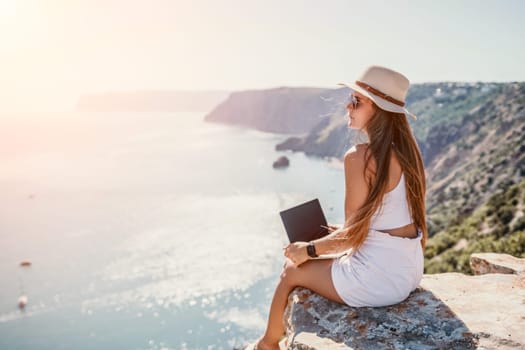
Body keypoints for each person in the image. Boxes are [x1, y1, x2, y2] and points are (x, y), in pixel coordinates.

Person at [246, 65, 427, 350]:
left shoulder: (359, 157)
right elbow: (386, 221)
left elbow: (353, 237)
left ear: (378, 110)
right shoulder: (408, 155)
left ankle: (266, 344)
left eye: (357, 101)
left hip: (378, 281)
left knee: (291, 269)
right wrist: (336, 233)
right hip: (409, 270)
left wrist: (307, 250)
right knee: (308, 254)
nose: (348, 106)